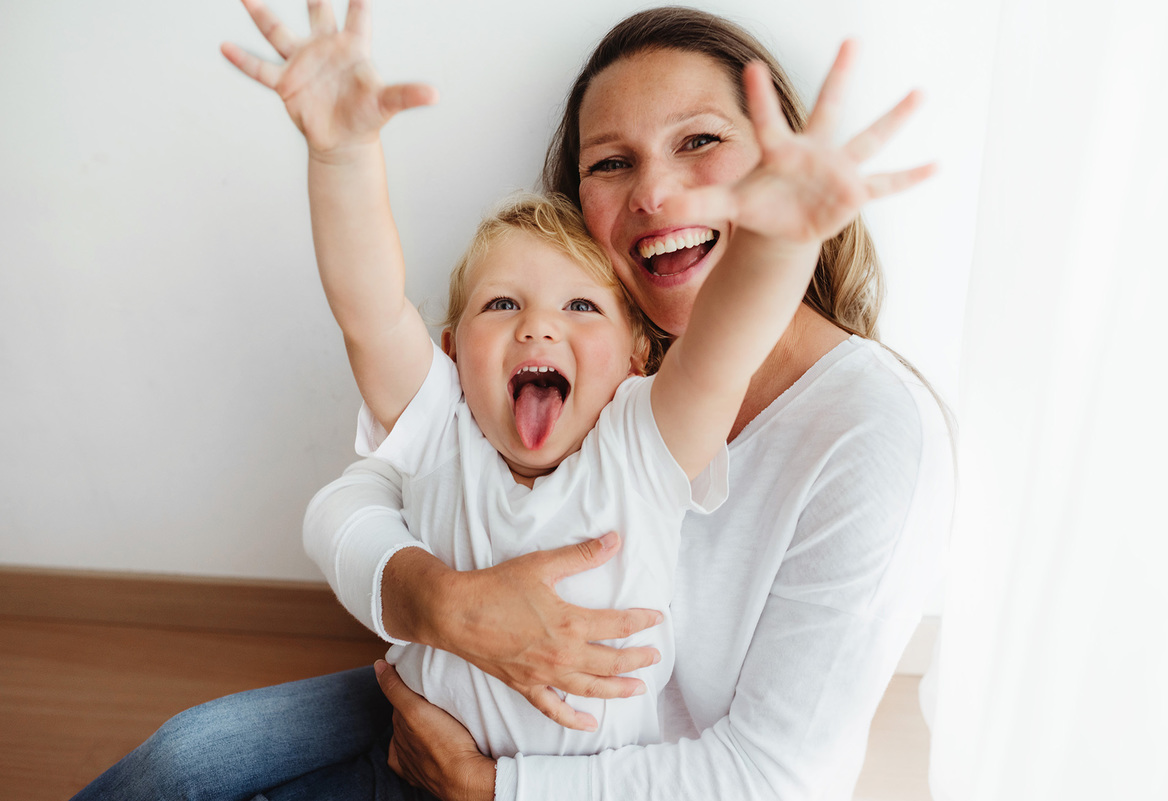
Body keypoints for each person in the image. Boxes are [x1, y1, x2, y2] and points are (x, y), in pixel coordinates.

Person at [70, 2, 952, 800]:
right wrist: (341, 155)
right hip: (433, 702)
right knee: (184, 760)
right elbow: (370, 330)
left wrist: (780, 237)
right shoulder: (531, 399)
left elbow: (772, 776)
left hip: (599, 782)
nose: (654, 193)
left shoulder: (667, 432)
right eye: (612, 163)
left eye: (700, 141)